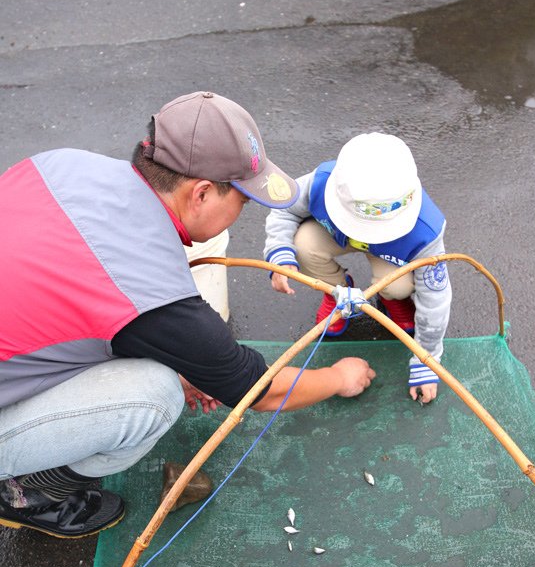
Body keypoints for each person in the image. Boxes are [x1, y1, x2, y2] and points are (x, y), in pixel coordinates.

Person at [0, 91, 375, 539]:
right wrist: (339, 377)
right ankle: (26, 492)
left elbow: (58, 299)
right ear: (199, 194)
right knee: (155, 396)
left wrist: (178, 352)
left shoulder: (63, 164)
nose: (241, 214)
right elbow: (259, 390)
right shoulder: (154, 295)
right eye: (243, 201)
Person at [264, 132, 451, 404]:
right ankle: (337, 289)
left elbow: (435, 298)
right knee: (302, 245)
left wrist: (427, 360)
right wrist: (279, 255)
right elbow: (284, 209)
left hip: (392, 254)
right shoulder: (320, 183)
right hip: (334, 234)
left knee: (399, 284)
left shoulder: (426, 231)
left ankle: (390, 297)